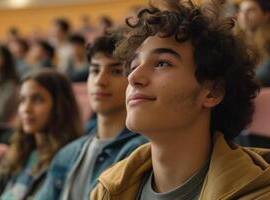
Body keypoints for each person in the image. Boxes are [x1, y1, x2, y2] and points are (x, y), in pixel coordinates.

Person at [91, 0, 269, 199]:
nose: (133, 78)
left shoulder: (258, 193)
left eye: (161, 63)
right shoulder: (107, 189)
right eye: (133, 66)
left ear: (212, 92)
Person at [36, 35, 147, 200]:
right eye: (95, 70)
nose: (100, 80)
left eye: (115, 71)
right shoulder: (68, 153)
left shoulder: (140, 153)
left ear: (133, 81)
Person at [0, 69, 82, 200]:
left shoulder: (68, 159)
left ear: (60, 106)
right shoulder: (19, 150)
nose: (26, 109)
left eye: (37, 100)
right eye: (23, 100)